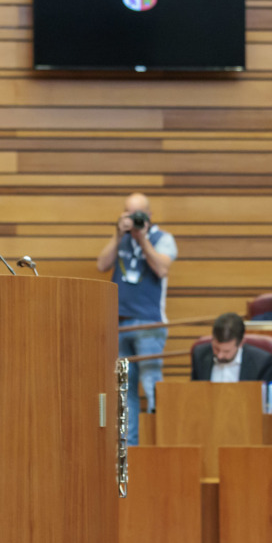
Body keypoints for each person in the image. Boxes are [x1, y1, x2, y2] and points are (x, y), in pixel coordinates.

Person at [96, 191, 177, 445]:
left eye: (138, 213)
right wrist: (118, 235)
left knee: (152, 385)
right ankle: (128, 451)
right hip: (120, 324)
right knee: (124, 390)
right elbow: (102, 265)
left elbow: (162, 268)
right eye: (128, 213)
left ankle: (159, 444)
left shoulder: (163, 238)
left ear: (149, 215)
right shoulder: (122, 239)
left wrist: (142, 239)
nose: (133, 218)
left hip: (149, 323)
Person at [191, 313, 272, 383]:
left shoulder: (262, 363)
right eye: (216, 348)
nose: (220, 356)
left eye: (226, 351)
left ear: (241, 343)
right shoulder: (199, 355)